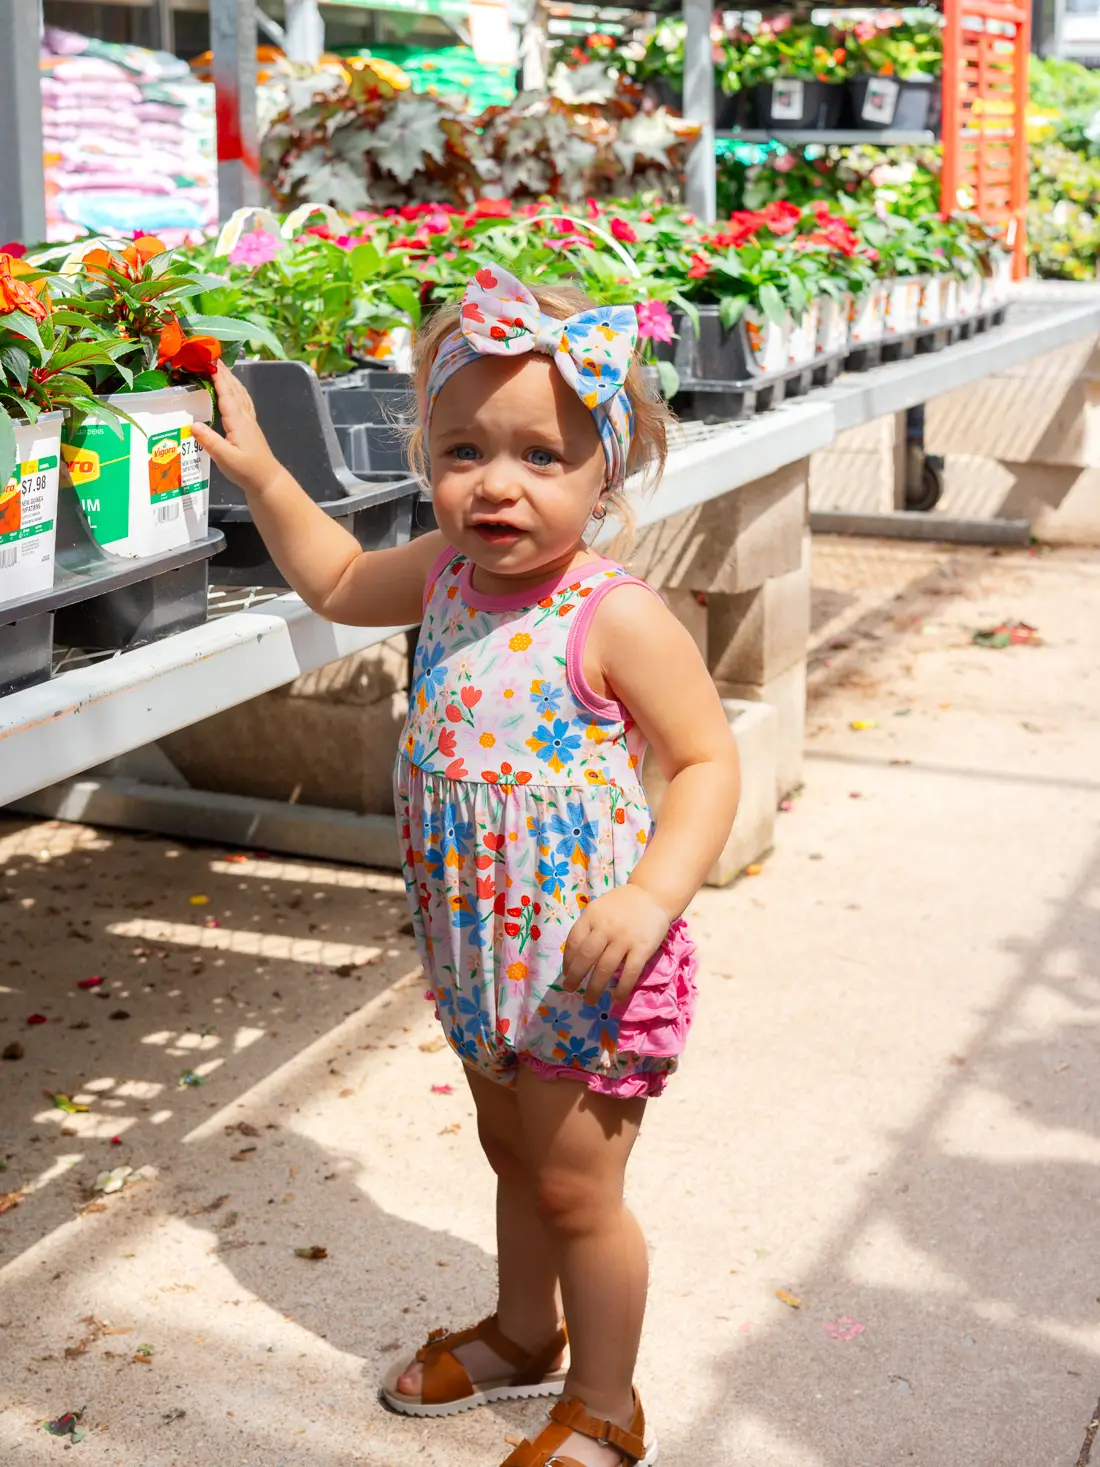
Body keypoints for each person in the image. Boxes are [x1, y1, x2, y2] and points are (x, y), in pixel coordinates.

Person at [194, 264, 742, 1467]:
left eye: (541, 458)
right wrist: (269, 477)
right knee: (510, 1153)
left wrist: (652, 895)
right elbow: (336, 581)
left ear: (609, 472)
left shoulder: (612, 613)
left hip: (586, 961)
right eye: (460, 452)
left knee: (574, 1193)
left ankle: (605, 1403)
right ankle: (518, 1331)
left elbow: (704, 761)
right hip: (475, 952)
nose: (494, 485)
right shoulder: (440, 579)